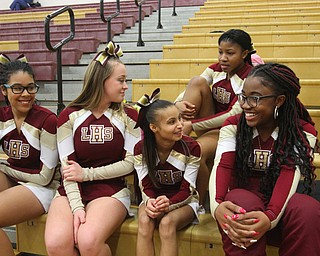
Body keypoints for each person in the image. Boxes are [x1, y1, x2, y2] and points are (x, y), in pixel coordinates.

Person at [209, 63, 320, 255]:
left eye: (255, 98)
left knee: (308, 210)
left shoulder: (303, 131)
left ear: (279, 100)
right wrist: (216, 206)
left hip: (280, 207)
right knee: (241, 201)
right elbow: (223, 165)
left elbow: (288, 173)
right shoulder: (234, 125)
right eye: (243, 96)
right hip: (245, 212)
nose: (245, 105)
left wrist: (270, 217)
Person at [44, 41, 141, 256]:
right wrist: (77, 207)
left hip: (112, 189)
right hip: (71, 190)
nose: (126, 86)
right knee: (56, 244)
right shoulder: (68, 115)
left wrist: (87, 174)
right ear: (102, 81)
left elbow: (130, 163)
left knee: (88, 241)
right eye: (121, 80)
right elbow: (67, 168)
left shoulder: (130, 116)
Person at [175, 29, 256, 206]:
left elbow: (232, 114)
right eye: (220, 52)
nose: (223, 58)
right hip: (208, 124)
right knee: (197, 81)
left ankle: (198, 204)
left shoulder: (250, 77)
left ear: (244, 53)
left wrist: (193, 124)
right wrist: (176, 105)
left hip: (230, 129)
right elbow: (193, 86)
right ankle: (177, 135)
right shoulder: (215, 69)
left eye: (230, 53)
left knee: (197, 151)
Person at [0, 54, 59, 256]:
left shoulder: (47, 120)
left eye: (31, 87)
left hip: (44, 187)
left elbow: (45, 177)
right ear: (3, 90)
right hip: (16, 178)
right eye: (17, 88)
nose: (26, 94)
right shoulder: (2, 117)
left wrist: (6, 167)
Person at [133, 88, 201, 256]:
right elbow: (145, 185)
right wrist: (151, 202)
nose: (180, 125)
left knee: (166, 223)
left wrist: (168, 203)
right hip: (152, 199)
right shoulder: (140, 149)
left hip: (184, 201)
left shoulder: (192, 148)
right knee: (144, 221)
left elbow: (188, 189)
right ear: (154, 127)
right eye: (172, 122)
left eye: (180, 119)